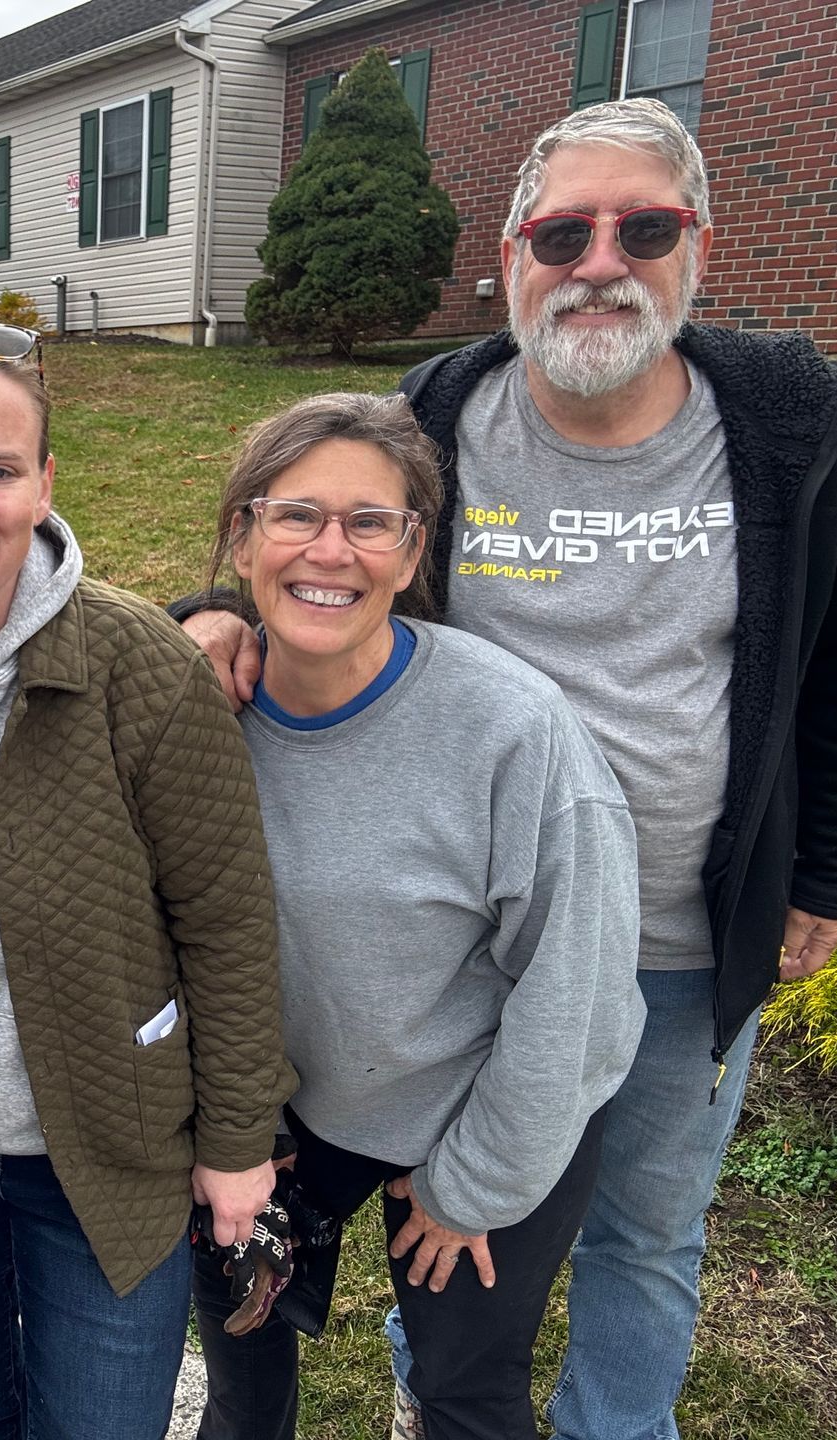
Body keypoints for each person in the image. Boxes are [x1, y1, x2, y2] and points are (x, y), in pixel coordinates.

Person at [183, 99, 837, 1440]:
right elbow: (332, 551)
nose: (598, 262)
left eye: (642, 227)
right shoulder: (446, 409)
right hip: (467, 933)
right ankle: (435, 1365)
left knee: (644, 1222)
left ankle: (615, 1425)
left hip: (685, 927)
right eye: (561, 231)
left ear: (699, 246)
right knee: (452, 1192)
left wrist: (829, 872)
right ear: (511, 253)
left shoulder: (796, 426)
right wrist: (209, 613)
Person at [0, 320, 294, 1440]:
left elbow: (226, 922)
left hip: (105, 1150)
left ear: (45, 484)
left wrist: (234, 1144)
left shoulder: (141, 668)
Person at [190, 390, 643, 1440]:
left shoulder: (513, 735)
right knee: (240, 1393)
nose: (330, 550)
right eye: (296, 514)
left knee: (466, 1397)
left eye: (369, 522)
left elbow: (575, 991)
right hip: (282, 1109)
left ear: (412, 552)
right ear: (245, 536)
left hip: (477, 1102)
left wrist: (473, 1182)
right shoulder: (197, 715)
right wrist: (237, 1123)